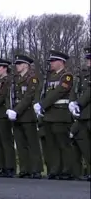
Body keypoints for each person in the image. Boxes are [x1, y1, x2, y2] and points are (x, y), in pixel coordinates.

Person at [33, 50, 75, 180]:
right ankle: (55, 169)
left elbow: (59, 92)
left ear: (61, 62)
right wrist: (38, 104)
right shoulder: (49, 77)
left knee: (63, 144)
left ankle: (67, 170)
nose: (51, 64)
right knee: (52, 145)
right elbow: (41, 92)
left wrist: (43, 104)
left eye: (53, 61)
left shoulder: (66, 76)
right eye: (50, 61)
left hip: (61, 114)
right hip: (49, 115)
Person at [7, 54, 43, 179]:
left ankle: (36, 169)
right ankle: (24, 169)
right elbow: (10, 97)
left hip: (27, 115)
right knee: (21, 143)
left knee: (32, 143)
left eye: (20, 64)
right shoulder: (14, 80)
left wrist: (16, 111)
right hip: (16, 116)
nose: (17, 66)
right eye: (16, 64)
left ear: (26, 65)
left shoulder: (32, 79)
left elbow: (29, 97)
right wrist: (10, 110)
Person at [68, 47, 90, 181]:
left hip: (86, 111)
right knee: (85, 143)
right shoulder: (82, 74)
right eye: (87, 58)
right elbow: (74, 90)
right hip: (82, 115)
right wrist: (71, 102)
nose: (88, 61)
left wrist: (79, 103)